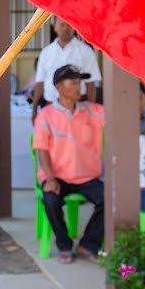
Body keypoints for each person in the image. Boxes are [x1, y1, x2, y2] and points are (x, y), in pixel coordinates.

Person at [33, 65, 105, 263]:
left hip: (87, 177)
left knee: (109, 199)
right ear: (58, 87)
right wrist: (50, 178)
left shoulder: (93, 111)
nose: (78, 87)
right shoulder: (46, 115)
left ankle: (88, 245)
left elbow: (116, 115)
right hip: (57, 176)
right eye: (73, 83)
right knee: (50, 200)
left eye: (79, 82)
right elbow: (42, 148)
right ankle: (64, 245)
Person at [32, 16, 101, 121]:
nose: (65, 28)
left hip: (78, 108)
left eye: (69, 25)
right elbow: (40, 83)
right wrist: (34, 110)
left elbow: (90, 85)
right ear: (55, 27)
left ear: (75, 27)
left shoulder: (85, 51)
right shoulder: (46, 52)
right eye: (62, 24)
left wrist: (90, 112)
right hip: (50, 107)